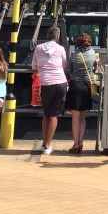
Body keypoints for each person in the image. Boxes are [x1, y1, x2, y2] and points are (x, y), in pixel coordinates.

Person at [31, 25, 68, 155]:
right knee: (54, 115)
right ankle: (48, 145)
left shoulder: (38, 48)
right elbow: (63, 65)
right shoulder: (61, 49)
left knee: (46, 114)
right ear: (57, 37)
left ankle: (43, 143)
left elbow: (34, 66)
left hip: (45, 83)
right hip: (60, 82)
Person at [65, 31, 101, 154]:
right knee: (82, 117)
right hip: (87, 86)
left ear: (78, 42)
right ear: (89, 42)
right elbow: (95, 70)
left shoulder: (74, 54)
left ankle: (76, 144)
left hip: (75, 85)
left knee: (75, 117)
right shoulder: (94, 54)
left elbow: (68, 70)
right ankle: (81, 142)